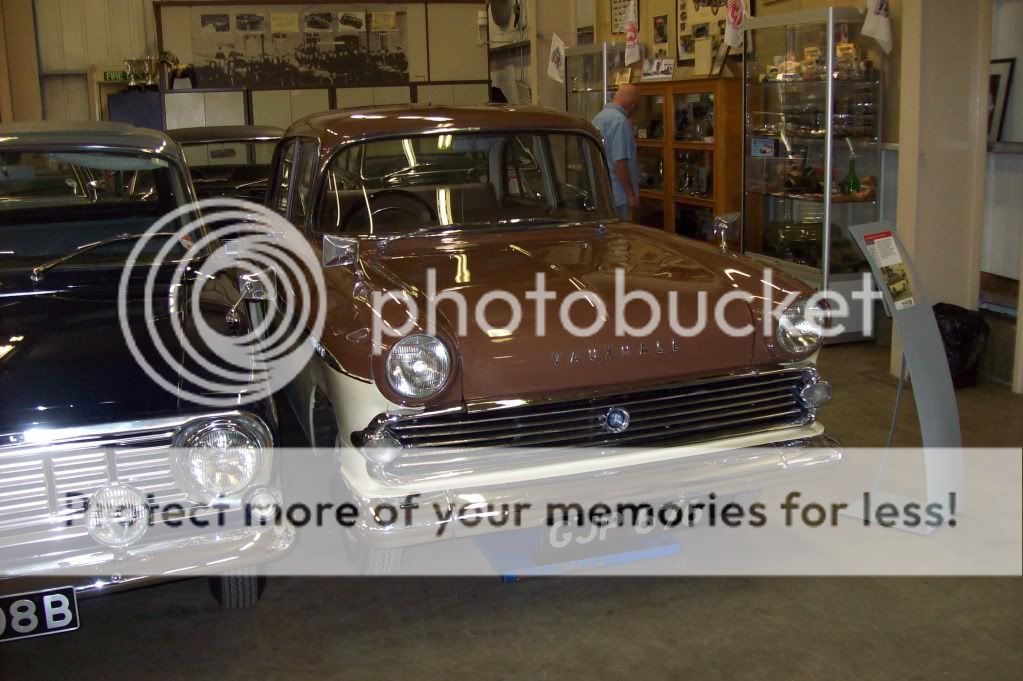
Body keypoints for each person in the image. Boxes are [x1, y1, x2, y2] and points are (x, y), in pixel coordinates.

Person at [592, 84, 641, 221]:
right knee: (621, 239)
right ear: (633, 104)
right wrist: (630, 194)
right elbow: (620, 162)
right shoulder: (620, 121)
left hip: (602, 193)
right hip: (618, 196)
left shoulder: (598, 118)